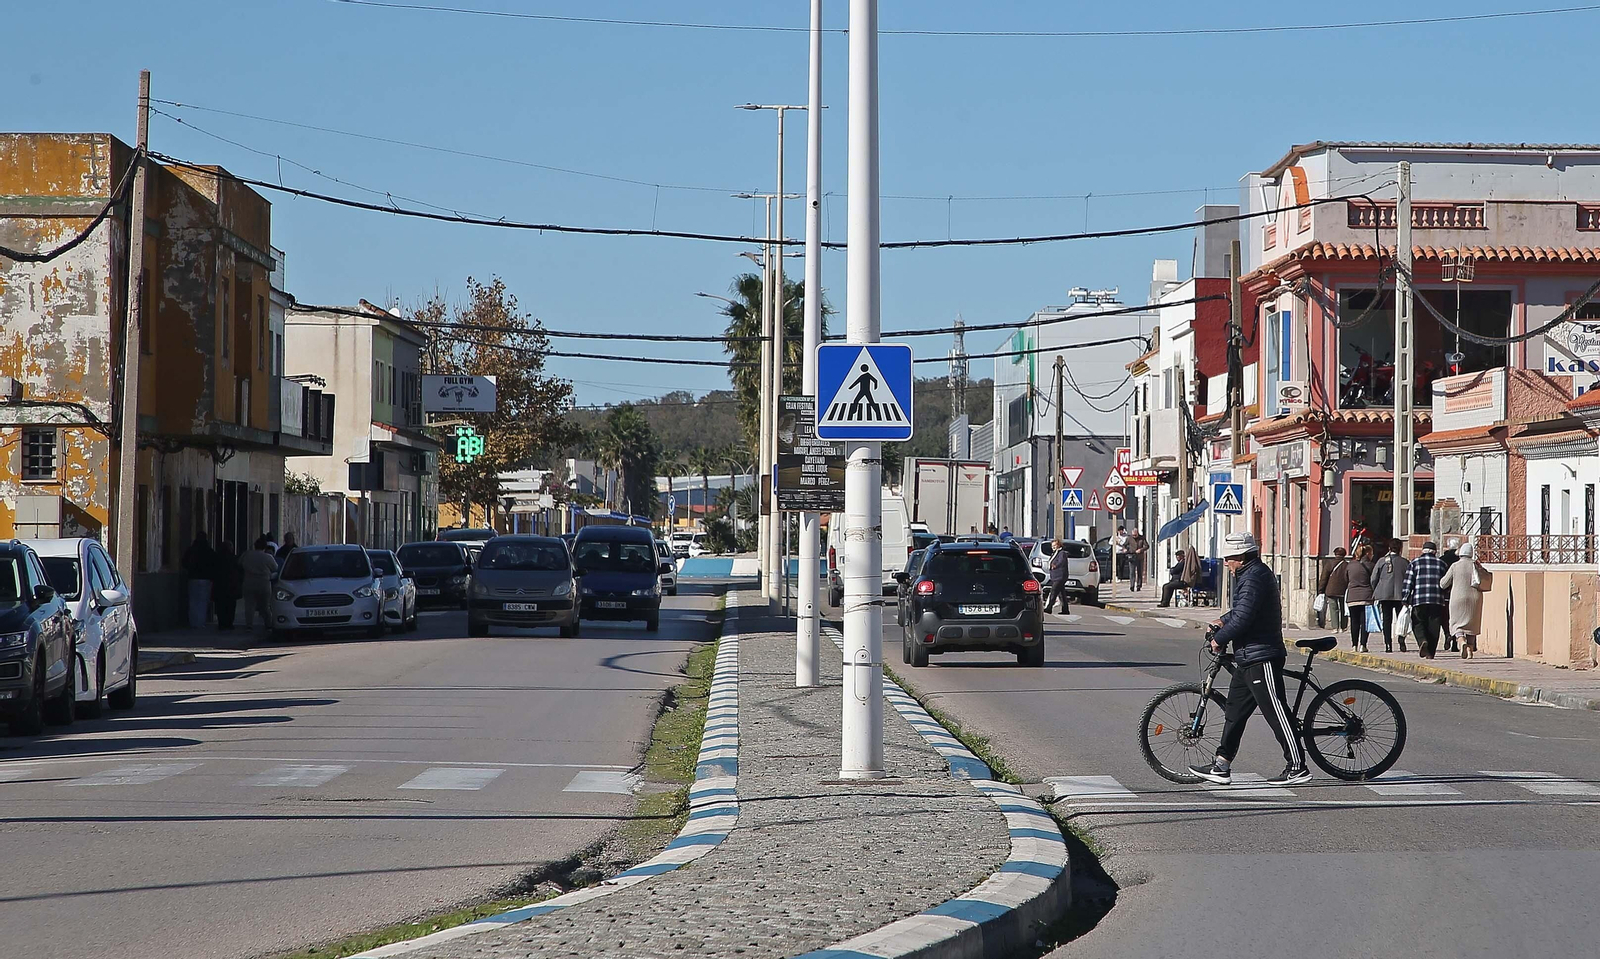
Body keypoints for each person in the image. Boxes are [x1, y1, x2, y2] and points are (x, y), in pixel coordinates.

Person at [1189, 532, 1310, 787]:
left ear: (1242, 557)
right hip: (1247, 656)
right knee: (1234, 712)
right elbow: (1242, 609)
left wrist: (1219, 638)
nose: (1226, 563)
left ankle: (1297, 766)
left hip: (1261, 654)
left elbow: (1245, 617)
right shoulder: (1249, 575)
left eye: (1229, 558)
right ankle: (1221, 765)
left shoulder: (1254, 575)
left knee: (1275, 711)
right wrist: (1223, 619)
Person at [1440, 541, 1489, 659]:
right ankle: (1470, 649)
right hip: (1475, 598)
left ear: (1460, 553)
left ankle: (1461, 641)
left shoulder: (1455, 566)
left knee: (1456, 624)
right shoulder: (1476, 565)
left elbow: (1443, 583)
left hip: (1458, 598)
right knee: (1472, 625)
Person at [1403, 541, 1448, 660]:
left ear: (1423, 551)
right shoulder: (1441, 564)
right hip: (1437, 599)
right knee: (1434, 624)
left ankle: (1422, 640)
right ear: (1435, 552)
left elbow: (1408, 582)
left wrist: (1405, 598)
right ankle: (1430, 653)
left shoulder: (1415, 563)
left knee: (1418, 622)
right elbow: (1446, 583)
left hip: (1419, 599)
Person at [1372, 538, 1410, 653]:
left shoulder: (1381, 561)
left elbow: (1373, 578)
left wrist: (1377, 590)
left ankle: (1388, 644)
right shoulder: (1405, 562)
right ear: (1400, 549)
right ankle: (1401, 640)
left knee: (1386, 620)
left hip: (1385, 594)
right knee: (1401, 619)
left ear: (1389, 548)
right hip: (1400, 594)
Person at [240, 537, 280, 633]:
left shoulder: (247, 555)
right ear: (264, 547)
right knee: (265, 606)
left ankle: (249, 625)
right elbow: (275, 568)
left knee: (249, 605)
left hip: (248, 582)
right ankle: (268, 624)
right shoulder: (267, 557)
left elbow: (239, 563)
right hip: (263, 583)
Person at [1344, 543, 1376, 652]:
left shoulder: (1350, 565)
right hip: (1366, 597)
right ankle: (1363, 644)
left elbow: (1346, 579)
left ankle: (1354, 645)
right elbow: (1374, 580)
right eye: (1371, 553)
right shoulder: (1371, 566)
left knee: (1354, 622)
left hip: (1352, 597)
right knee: (1365, 623)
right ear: (1367, 554)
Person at [182, 532, 216, 629]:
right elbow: (214, 563)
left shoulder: (191, 550)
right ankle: (200, 622)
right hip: (206, 579)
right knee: (203, 602)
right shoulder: (209, 551)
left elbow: (184, 562)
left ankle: (193, 622)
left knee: (193, 601)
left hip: (193, 578)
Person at [213, 541, 242, 631]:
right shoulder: (234, 558)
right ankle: (229, 623)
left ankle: (221, 623)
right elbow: (239, 571)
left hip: (220, 585)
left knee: (220, 605)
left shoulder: (217, 558)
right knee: (230, 606)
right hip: (231, 586)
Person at [1319, 548, 1350, 632]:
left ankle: (1335, 627)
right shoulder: (1347, 565)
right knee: (1343, 608)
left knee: (1333, 608)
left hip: (1331, 589)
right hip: (1343, 589)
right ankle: (1343, 626)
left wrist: (1321, 590)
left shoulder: (1329, 564)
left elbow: (1324, 578)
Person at [1044, 538, 1071, 614]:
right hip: (1056, 576)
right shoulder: (1055, 553)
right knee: (1062, 594)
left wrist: (1055, 565)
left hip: (1060, 576)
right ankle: (1065, 609)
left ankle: (1049, 608)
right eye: (1052, 546)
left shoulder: (1061, 553)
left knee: (1054, 592)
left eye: (1055, 545)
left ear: (1059, 545)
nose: (1053, 547)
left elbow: (1061, 562)